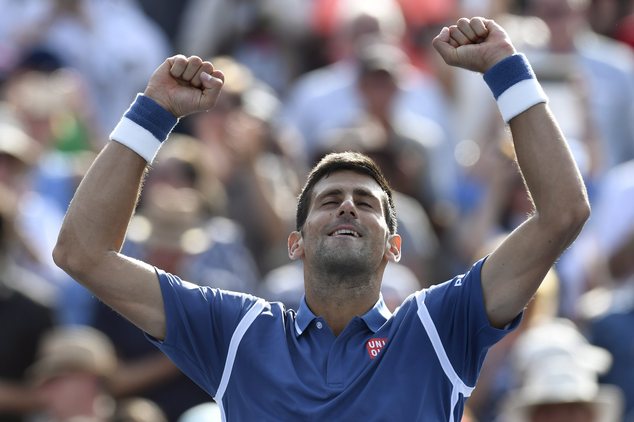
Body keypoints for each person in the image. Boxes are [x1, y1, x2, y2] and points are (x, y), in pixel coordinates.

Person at [53, 17, 590, 421]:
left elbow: (563, 212)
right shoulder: (238, 332)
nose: (348, 206)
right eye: (329, 201)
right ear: (295, 244)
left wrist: (507, 70)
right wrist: (152, 111)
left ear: (394, 248)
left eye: (366, 201)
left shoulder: (438, 325)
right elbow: (81, 254)